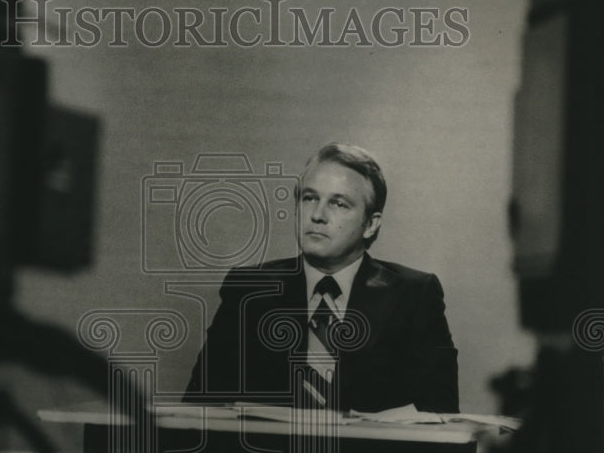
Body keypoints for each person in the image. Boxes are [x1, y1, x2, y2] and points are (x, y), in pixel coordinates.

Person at [182, 143, 459, 413]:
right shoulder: (250, 290)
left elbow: (441, 415)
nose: (317, 215)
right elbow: (200, 406)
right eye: (309, 198)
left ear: (371, 224)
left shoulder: (414, 295)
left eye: (338, 203)